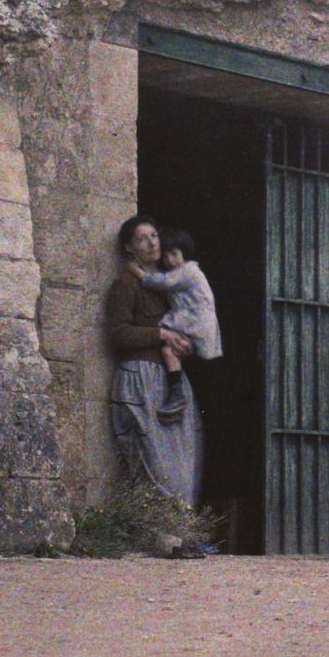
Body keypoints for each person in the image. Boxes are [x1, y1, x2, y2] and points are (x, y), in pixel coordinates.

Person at [106, 215, 204, 507]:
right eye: (141, 239)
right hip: (140, 379)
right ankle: (157, 534)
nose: (151, 243)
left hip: (170, 380)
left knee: (184, 458)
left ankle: (181, 530)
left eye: (154, 236)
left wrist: (185, 342)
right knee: (153, 461)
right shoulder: (125, 284)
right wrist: (161, 334)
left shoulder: (170, 283)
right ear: (128, 248)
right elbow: (118, 334)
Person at [137, 227, 222, 424]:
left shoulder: (188, 271)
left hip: (195, 324)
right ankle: (177, 394)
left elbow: (164, 283)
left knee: (168, 350)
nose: (170, 260)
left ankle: (177, 395)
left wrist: (138, 273)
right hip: (191, 322)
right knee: (170, 349)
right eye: (165, 256)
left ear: (185, 252)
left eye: (174, 254)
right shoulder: (181, 272)